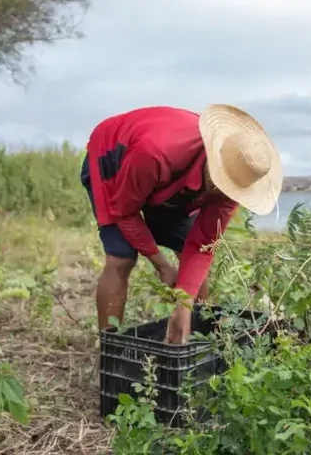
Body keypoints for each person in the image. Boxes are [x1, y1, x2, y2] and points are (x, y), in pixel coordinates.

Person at [80, 104, 282, 344]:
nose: (222, 191)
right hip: (114, 156)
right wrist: (161, 265)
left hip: (166, 178)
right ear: (214, 157)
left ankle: (193, 335)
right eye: (221, 183)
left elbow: (203, 245)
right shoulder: (156, 152)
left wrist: (183, 304)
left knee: (190, 251)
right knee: (121, 257)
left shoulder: (238, 177)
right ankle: (109, 349)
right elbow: (124, 212)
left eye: (229, 188)